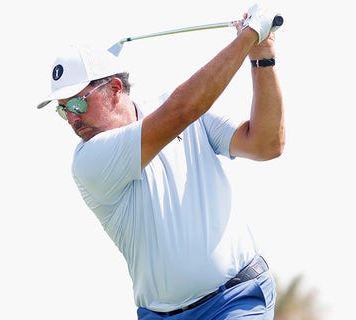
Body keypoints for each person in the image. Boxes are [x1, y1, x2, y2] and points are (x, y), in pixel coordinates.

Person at [36, 3, 284, 320]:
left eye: (77, 102)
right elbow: (181, 113)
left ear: (113, 90)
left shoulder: (186, 112)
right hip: (157, 314)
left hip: (235, 300)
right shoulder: (89, 160)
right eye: (62, 109)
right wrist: (249, 35)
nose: (71, 118)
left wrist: (262, 56)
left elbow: (267, 144)